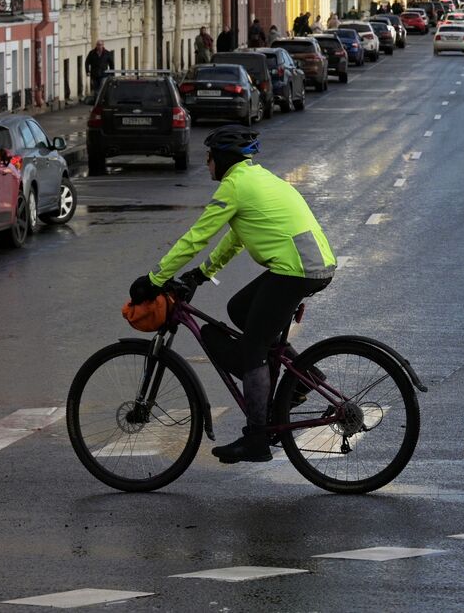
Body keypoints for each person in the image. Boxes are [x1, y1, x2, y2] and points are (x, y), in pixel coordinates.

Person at [129, 126, 337, 464]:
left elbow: (197, 236)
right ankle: (302, 377)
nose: (207, 163)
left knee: (254, 347)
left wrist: (155, 278)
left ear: (222, 158)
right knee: (239, 309)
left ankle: (256, 437)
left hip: (297, 269)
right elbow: (236, 237)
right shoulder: (258, 178)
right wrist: (203, 272)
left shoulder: (235, 185)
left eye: (209, 157)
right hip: (308, 264)